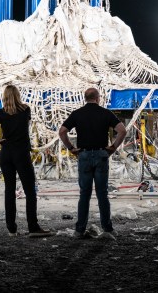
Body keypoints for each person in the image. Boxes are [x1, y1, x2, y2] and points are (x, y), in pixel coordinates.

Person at [0, 85, 52, 237]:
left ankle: (11, 228)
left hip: (6, 153)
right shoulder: (25, 110)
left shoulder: (0, 113)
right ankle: (33, 227)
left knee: (9, 191)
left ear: (4, 97)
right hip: (21, 153)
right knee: (30, 190)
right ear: (18, 95)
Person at [58, 87, 127, 238]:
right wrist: (113, 148)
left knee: (84, 194)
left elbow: (62, 131)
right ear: (98, 98)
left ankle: (79, 230)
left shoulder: (77, 114)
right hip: (102, 155)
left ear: (85, 98)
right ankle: (107, 229)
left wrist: (71, 148)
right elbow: (122, 130)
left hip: (83, 155)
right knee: (102, 194)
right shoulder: (105, 113)